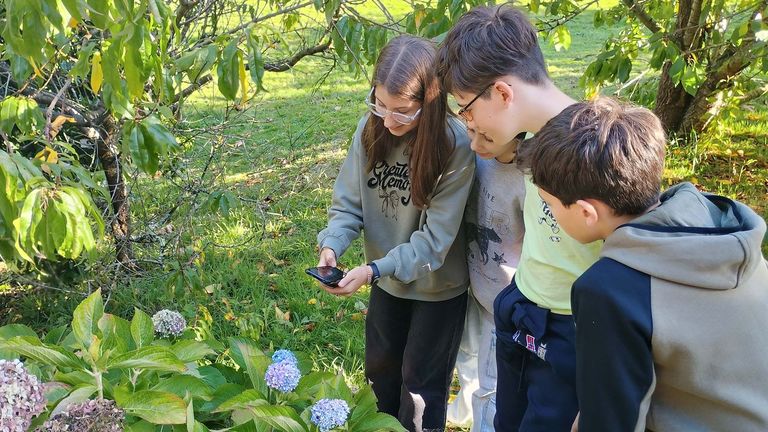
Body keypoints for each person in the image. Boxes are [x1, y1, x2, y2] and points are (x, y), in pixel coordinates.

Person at [525, 96, 768, 431]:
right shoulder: (721, 223)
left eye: (550, 206)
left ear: (586, 212)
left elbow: (611, 423)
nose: (550, 214)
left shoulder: (609, 290)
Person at [436, 5, 602, 431]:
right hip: (524, 311)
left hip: (573, 336)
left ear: (503, 93)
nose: (467, 124)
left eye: (466, 108)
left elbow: (627, 268)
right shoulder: (533, 142)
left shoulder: (595, 150)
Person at [316, 35, 475, 432]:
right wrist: (332, 246)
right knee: (380, 377)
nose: (388, 120)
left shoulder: (454, 145)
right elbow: (348, 204)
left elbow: (433, 244)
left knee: (420, 390)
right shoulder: (370, 130)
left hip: (438, 290)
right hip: (386, 282)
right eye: (379, 103)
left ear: (431, 103)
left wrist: (372, 269)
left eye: (403, 112)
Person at [447, 129, 526, 432]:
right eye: (472, 132)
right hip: (471, 287)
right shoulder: (477, 159)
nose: (475, 144)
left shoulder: (528, 179)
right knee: (466, 360)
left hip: (502, 304)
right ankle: (462, 411)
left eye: (488, 138)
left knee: (491, 383)